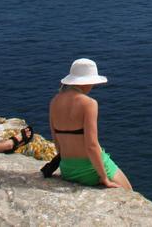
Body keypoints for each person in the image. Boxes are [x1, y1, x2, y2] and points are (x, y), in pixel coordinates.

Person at [49, 58, 132, 189]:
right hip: (90, 169)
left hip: (67, 169)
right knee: (128, 191)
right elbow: (91, 145)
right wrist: (105, 178)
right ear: (85, 83)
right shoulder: (89, 103)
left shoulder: (54, 101)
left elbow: (56, 141)